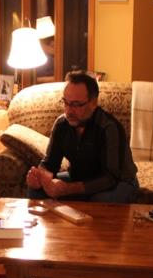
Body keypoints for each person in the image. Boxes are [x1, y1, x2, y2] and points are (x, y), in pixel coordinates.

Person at [26, 72, 138, 202]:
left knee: (99, 200)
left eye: (76, 104)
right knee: (35, 190)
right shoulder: (62, 124)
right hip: (80, 179)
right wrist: (40, 178)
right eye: (65, 103)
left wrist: (67, 189)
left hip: (120, 182)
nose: (69, 111)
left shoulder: (108, 127)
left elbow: (110, 178)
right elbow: (50, 164)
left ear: (94, 102)